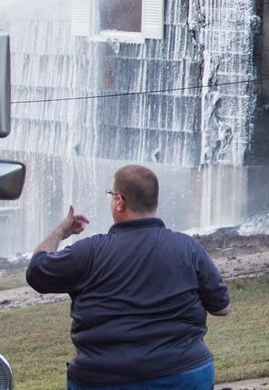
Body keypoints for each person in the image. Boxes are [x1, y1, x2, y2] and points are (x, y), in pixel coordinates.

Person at [27, 165, 231, 390]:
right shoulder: (188, 248)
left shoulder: (89, 252)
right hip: (184, 373)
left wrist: (62, 232)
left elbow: (37, 271)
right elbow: (222, 308)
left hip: (103, 378)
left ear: (119, 201)